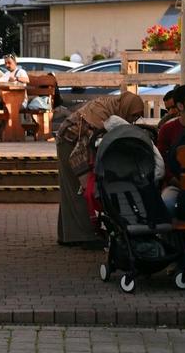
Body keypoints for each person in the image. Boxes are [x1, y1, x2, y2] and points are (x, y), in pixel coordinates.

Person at [55, 92, 145, 246]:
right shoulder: (100, 114)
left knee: (70, 190)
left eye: (137, 117)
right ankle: (83, 236)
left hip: (70, 141)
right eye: (133, 115)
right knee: (79, 190)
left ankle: (67, 235)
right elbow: (82, 147)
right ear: (127, 107)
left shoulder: (111, 107)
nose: (133, 120)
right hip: (70, 144)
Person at [157, 84, 185, 212]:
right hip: (177, 184)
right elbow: (162, 161)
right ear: (180, 106)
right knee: (167, 202)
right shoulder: (167, 129)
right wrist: (175, 180)